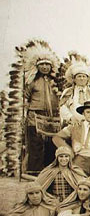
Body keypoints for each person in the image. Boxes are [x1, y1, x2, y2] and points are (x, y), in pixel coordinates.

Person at [20, 40, 61, 172]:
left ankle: (50, 170)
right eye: (42, 64)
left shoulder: (56, 82)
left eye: (47, 65)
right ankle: (34, 170)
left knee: (52, 144)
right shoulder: (32, 81)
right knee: (36, 145)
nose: (45, 67)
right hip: (35, 117)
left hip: (53, 118)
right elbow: (24, 99)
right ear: (37, 66)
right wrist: (24, 115)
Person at [53, 101, 90, 175]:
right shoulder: (75, 126)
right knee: (79, 180)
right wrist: (69, 151)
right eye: (88, 112)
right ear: (83, 113)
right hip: (80, 158)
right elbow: (56, 138)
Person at [59, 52, 90, 125]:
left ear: (88, 79)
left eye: (84, 76)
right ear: (74, 79)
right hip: (72, 124)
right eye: (79, 76)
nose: (82, 79)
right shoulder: (68, 92)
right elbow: (62, 107)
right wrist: (70, 117)